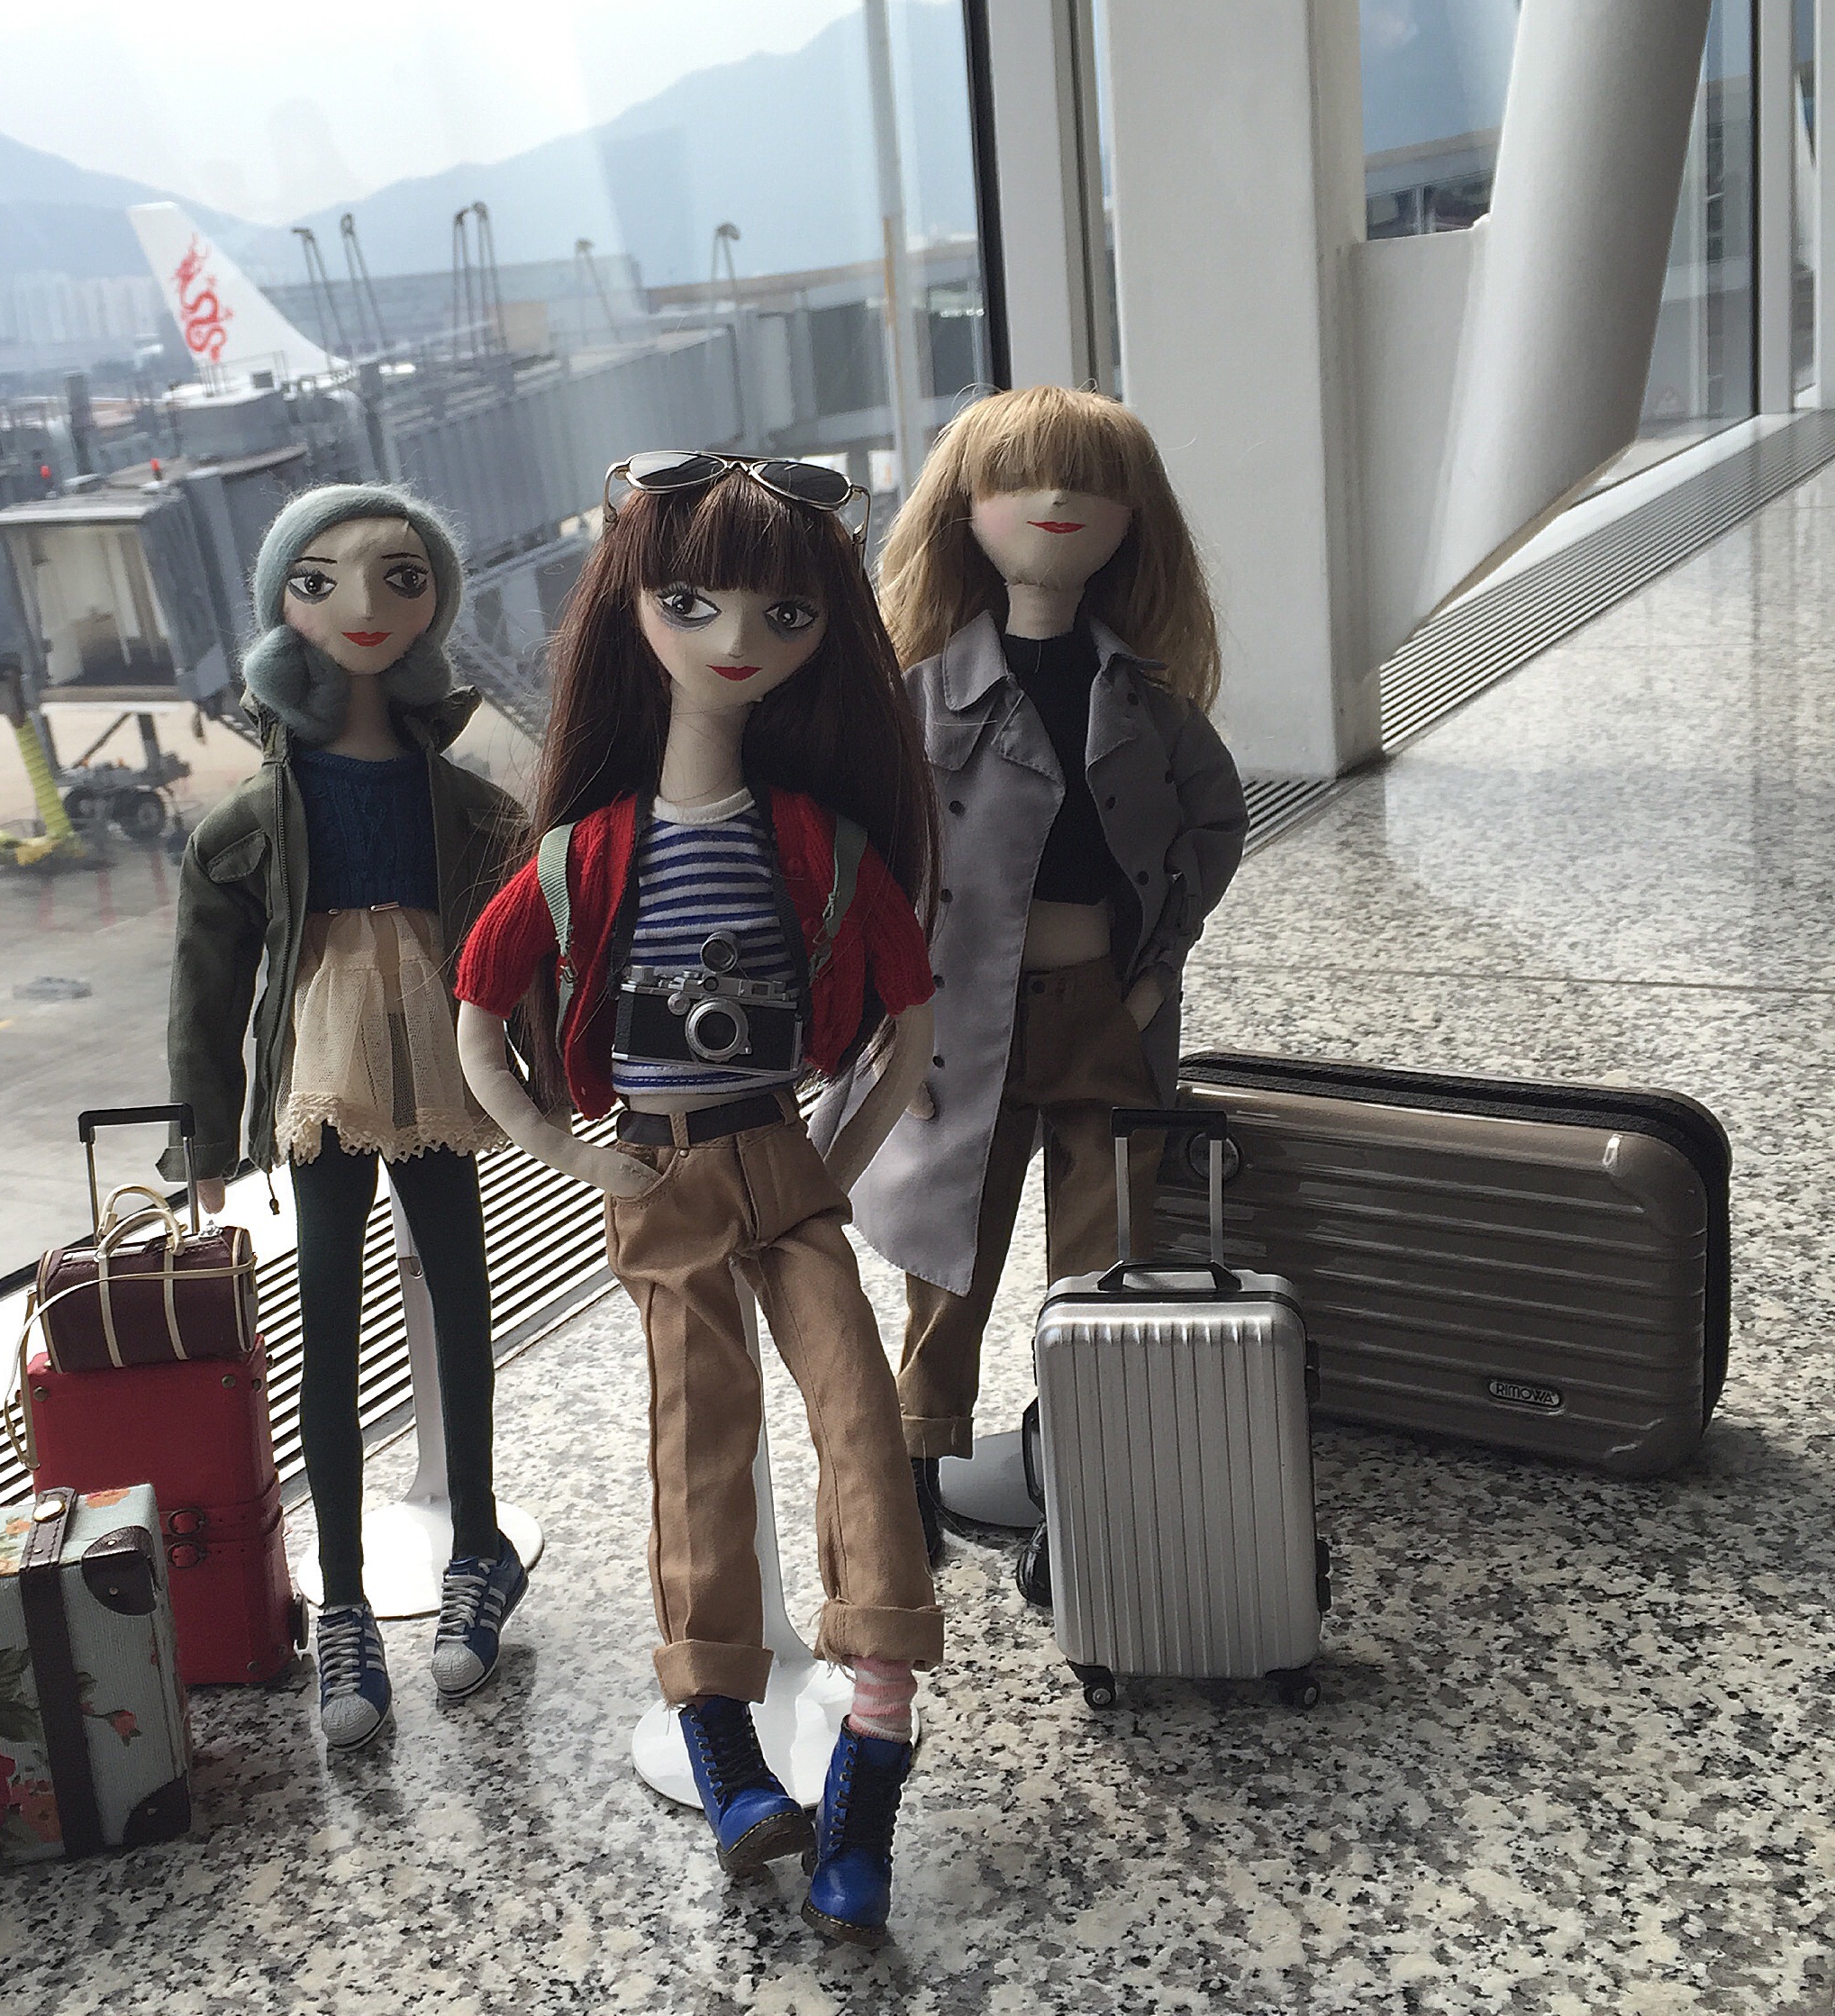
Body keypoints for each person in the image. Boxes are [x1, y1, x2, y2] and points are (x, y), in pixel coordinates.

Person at [451, 453, 942, 1948]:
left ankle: (869, 1768)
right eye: (690, 603)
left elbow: (910, 1021)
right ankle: (728, 1759)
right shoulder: (579, 856)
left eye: (783, 613)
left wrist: (836, 1161)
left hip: (779, 1151)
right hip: (654, 1167)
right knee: (696, 1442)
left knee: (863, 1420)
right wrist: (572, 1153)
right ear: (634, 608)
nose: (735, 638)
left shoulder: (820, 841)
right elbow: (478, 1017)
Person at [851, 386, 1249, 1564]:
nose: (1059, 500)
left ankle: (1088, 1475)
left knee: (1108, 1258)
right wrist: (888, 1017)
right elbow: (867, 867)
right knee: (948, 1259)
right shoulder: (920, 697)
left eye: (1093, 481)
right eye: (1019, 479)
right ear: (964, 512)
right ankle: (913, 1471)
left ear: (1134, 517)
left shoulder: (1145, 698)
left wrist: (1153, 972)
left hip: (1103, 1012)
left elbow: (1212, 829)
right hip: (955, 1022)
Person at [166, 482, 528, 1750]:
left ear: (434, 602)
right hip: (325, 1071)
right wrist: (205, 1142)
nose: (363, 605)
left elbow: (534, 946)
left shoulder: (471, 803)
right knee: (324, 1324)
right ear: (283, 609)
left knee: (465, 1303)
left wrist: (567, 1080)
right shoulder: (252, 820)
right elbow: (207, 990)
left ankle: (479, 1547)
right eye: (320, 583)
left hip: (446, 1059)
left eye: (399, 578)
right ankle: (345, 1600)